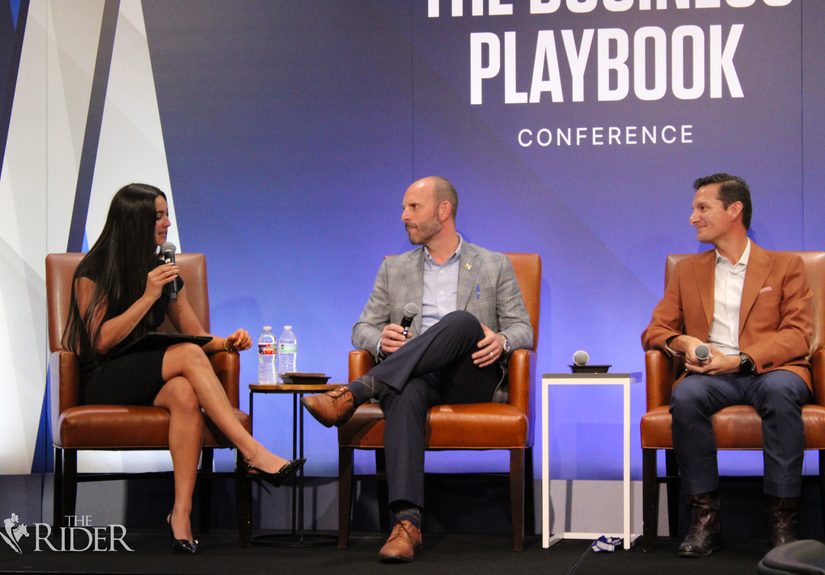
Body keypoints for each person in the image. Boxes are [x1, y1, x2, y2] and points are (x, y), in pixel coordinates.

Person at [62, 183, 304, 555]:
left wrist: (225, 343)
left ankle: (181, 514)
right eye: (158, 216)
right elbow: (100, 341)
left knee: (185, 392)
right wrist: (147, 297)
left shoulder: (165, 270)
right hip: (103, 378)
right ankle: (252, 452)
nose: (167, 223)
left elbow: (193, 333)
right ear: (134, 221)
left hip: (145, 374)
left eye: (165, 214)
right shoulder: (93, 270)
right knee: (189, 357)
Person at [302, 176, 533, 562]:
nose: (403, 216)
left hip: (470, 375)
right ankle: (407, 524)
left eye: (413, 208)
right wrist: (380, 340)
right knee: (403, 389)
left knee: (461, 322)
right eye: (405, 207)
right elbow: (362, 327)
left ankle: (357, 391)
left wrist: (504, 341)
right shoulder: (395, 269)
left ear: (443, 211)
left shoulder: (493, 264)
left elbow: (522, 326)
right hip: (414, 377)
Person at [642, 173, 813, 557]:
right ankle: (705, 521)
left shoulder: (786, 266)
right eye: (693, 209)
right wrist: (683, 341)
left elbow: (799, 335)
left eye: (702, 208)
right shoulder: (687, 271)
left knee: (781, 390)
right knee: (685, 396)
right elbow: (655, 330)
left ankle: (783, 522)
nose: (693, 217)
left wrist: (739, 359)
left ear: (734, 210)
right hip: (711, 377)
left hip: (770, 369)